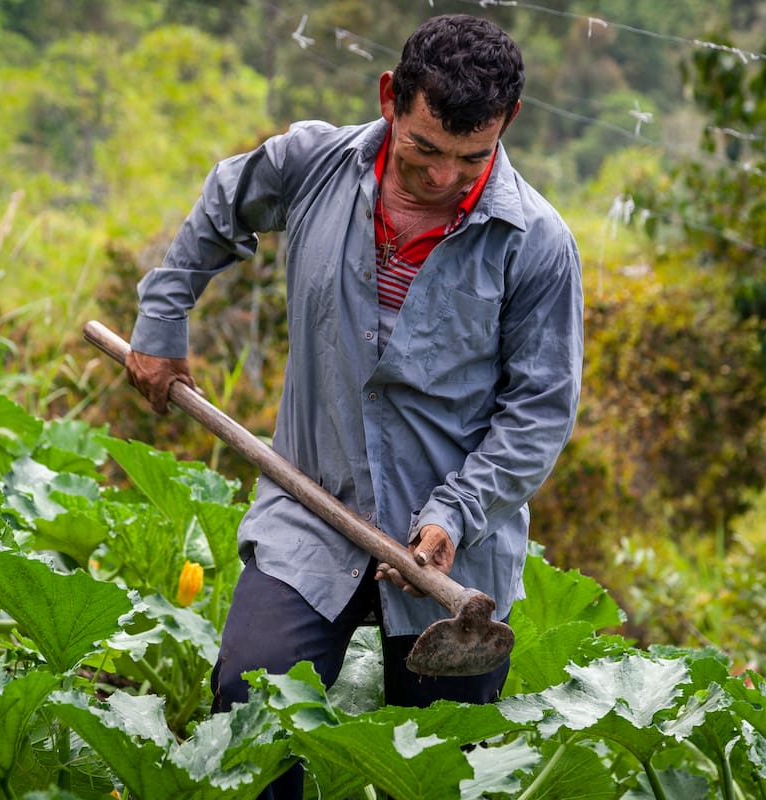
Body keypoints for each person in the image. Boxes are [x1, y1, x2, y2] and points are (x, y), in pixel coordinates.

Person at [125, 13, 582, 798]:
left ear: (508, 123)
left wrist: (455, 514)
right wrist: (162, 320)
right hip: (312, 502)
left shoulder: (536, 243)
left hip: (452, 557)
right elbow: (225, 202)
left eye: (471, 158)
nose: (443, 177)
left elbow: (538, 411)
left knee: (440, 770)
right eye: (425, 149)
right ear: (389, 99)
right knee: (251, 706)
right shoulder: (313, 165)